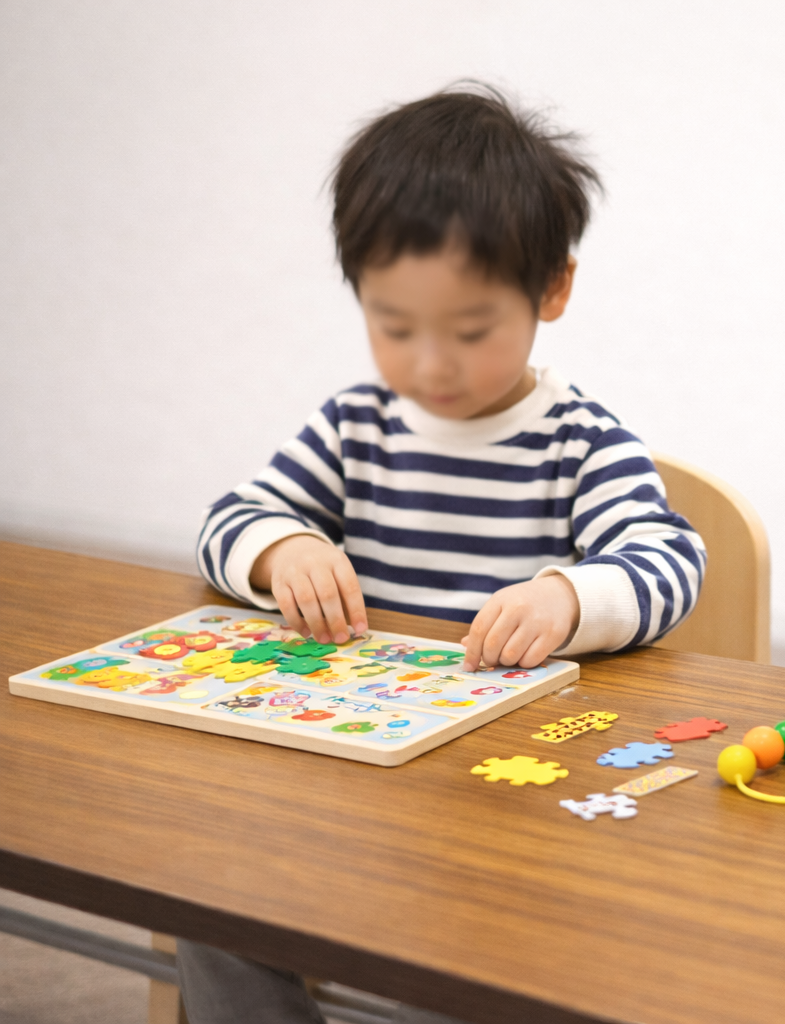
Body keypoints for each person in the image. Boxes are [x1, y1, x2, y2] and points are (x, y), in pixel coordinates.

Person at [181, 84, 704, 1024]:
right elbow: (231, 516)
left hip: (503, 806)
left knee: (473, 956)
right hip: (348, 771)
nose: (430, 366)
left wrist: (569, 597)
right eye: (394, 327)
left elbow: (666, 559)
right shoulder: (355, 425)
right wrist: (282, 546)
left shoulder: (578, 441)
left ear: (553, 289)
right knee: (209, 899)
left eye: (470, 331)